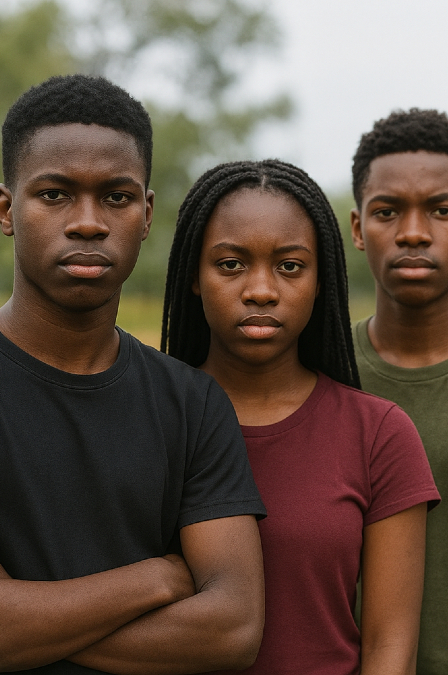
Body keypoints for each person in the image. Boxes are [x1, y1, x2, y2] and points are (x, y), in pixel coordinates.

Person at [0, 75, 267, 673]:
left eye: (116, 198)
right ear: (6, 210)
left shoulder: (193, 403)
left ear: (146, 215)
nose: (88, 223)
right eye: (54, 194)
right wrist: (154, 579)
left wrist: (28, 626)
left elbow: (233, 629)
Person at [161, 159, 441, 675]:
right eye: (230, 264)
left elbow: (389, 648)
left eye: (290, 266)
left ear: (320, 280)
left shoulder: (378, 433)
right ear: (194, 276)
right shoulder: (149, 415)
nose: (261, 290)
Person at [349, 108, 448, 675]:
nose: (413, 232)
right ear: (358, 228)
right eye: (387, 211)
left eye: (442, 210)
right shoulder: (316, 372)